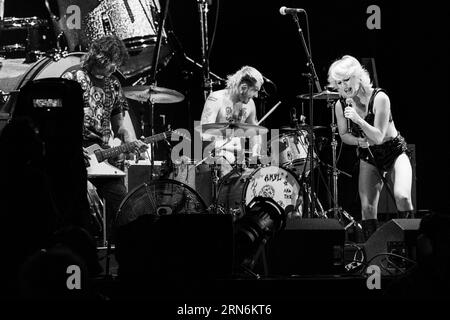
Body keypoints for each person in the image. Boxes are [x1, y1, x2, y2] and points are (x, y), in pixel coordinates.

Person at [62, 35, 147, 242]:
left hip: (102, 159)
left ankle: (120, 256)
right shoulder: (73, 78)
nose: (114, 68)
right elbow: (61, 122)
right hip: (75, 155)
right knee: (79, 210)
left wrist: (129, 141)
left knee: (122, 206)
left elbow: (119, 127)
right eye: (112, 63)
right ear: (100, 57)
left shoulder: (114, 85)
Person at [327, 55, 413, 241]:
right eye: (339, 83)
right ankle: (373, 253)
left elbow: (379, 136)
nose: (344, 86)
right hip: (368, 155)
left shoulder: (380, 98)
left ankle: (409, 250)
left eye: (347, 79)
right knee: (367, 207)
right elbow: (343, 135)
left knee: (402, 197)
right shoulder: (340, 105)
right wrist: (358, 142)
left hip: (394, 151)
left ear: (358, 76)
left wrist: (357, 120)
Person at [199, 65, 264, 177]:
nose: (256, 95)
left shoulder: (250, 104)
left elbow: (255, 133)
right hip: (216, 161)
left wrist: (255, 154)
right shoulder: (215, 99)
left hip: (239, 162)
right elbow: (205, 133)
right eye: (255, 90)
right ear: (243, 87)